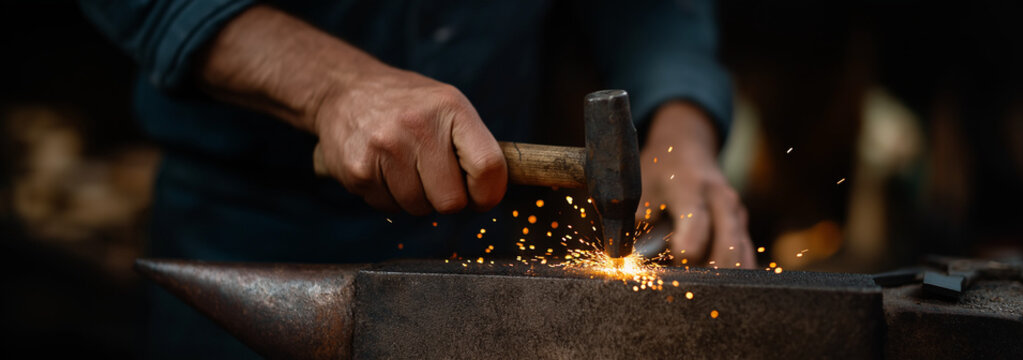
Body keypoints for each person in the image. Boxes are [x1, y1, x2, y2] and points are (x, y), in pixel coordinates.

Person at [81, 0, 754, 357]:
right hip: (250, 236)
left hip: (481, 244)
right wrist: (330, 87)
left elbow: (653, 8)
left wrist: (680, 131)